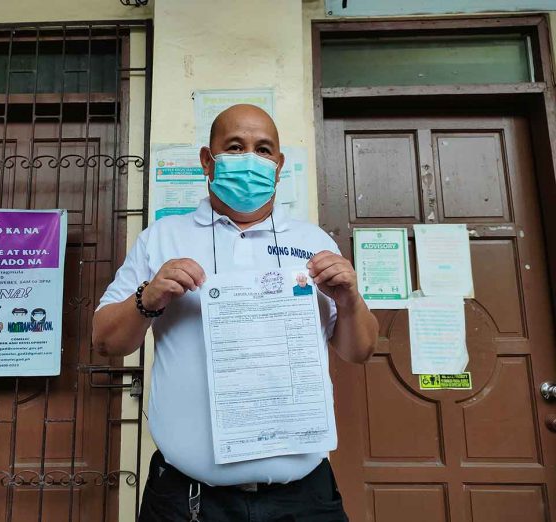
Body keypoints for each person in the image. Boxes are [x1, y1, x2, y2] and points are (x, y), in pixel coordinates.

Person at [93, 104, 378, 521]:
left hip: (303, 501)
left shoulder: (312, 242)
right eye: (235, 146)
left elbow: (360, 350)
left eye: (263, 150)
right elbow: (104, 341)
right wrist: (147, 299)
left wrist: (350, 299)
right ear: (208, 160)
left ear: (279, 165)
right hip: (189, 501)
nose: (250, 159)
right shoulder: (162, 239)